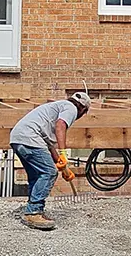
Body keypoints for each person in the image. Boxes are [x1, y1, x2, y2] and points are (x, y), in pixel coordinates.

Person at [8, 91, 92, 231]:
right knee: (49, 172)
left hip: (18, 139)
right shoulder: (71, 107)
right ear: (83, 109)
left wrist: (61, 164)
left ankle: (33, 208)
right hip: (30, 138)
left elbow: (48, 143)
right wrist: (64, 153)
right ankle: (33, 212)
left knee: (36, 175)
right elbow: (60, 126)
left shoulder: (55, 107)